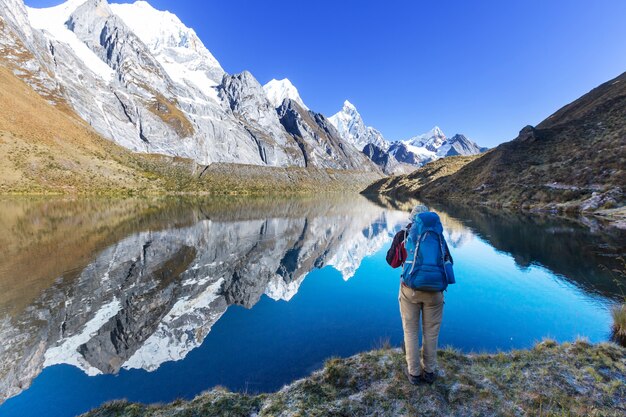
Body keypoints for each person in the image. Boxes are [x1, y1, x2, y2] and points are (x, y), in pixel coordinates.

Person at [387, 204, 454, 385]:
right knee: (431, 333)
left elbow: (392, 262)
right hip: (435, 293)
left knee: (410, 331)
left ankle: (414, 374)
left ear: (413, 219)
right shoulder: (438, 237)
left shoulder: (404, 235)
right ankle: (430, 372)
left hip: (410, 291)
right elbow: (449, 262)